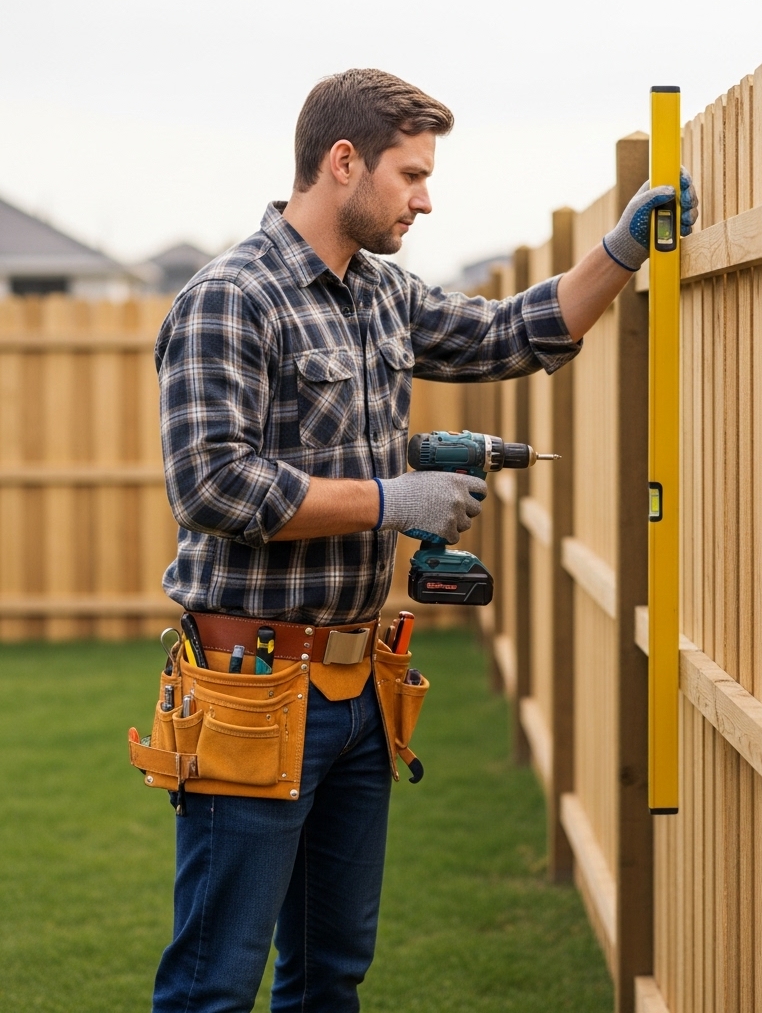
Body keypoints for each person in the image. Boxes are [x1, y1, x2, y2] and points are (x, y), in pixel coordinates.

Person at [152, 68, 697, 1012]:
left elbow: (511, 335)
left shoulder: (382, 296)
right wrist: (388, 500)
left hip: (358, 689)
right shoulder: (229, 298)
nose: (426, 198)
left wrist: (621, 252)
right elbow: (211, 484)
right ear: (343, 161)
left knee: (331, 974)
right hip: (251, 690)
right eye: (410, 175)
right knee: (215, 984)